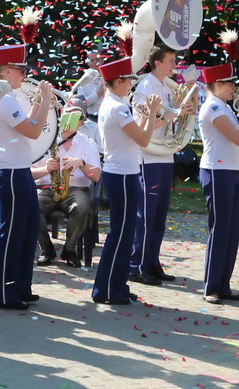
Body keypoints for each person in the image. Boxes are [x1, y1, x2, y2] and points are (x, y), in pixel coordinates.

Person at [0, 44, 54, 310]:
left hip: (19, 169)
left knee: (26, 231)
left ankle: (20, 287)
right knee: (12, 233)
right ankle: (3, 293)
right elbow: (34, 132)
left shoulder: (8, 97)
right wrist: (45, 100)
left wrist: (37, 103)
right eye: (20, 70)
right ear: (5, 70)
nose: (24, 75)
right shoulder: (3, 99)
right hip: (10, 170)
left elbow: (27, 126)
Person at [93, 57, 160, 305]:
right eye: (129, 80)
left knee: (125, 233)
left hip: (122, 172)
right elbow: (143, 140)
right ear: (119, 81)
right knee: (121, 235)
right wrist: (151, 114)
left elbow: (133, 136)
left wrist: (147, 116)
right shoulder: (118, 107)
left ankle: (117, 285)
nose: (131, 85)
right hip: (122, 174)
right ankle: (107, 290)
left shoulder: (113, 104)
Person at [197, 62, 239, 305]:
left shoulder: (224, 106)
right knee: (220, 229)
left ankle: (223, 285)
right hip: (217, 171)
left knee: (233, 230)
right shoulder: (213, 107)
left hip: (231, 170)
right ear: (217, 84)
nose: (234, 88)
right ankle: (211, 286)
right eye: (230, 84)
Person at [130, 45, 185, 285]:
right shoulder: (146, 86)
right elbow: (141, 124)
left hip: (165, 154)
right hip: (149, 155)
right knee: (146, 215)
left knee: (159, 215)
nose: (175, 65)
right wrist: (170, 116)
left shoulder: (166, 86)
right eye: (171, 60)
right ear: (158, 63)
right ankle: (137, 265)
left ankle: (152, 262)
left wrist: (185, 107)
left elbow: (173, 116)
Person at [33, 97, 101, 267]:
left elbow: (96, 177)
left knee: (82, 207)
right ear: (61, 115)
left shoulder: (88, 143)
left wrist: (82, 164)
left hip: (76, 189)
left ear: (82, 122)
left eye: (77, 117)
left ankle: (69, 250)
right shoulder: (45, 140)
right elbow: (28, 173)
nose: (72, 120)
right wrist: (45, 169)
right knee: (31, 206)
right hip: (47, 187)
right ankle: (46, 249)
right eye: (68, 114)